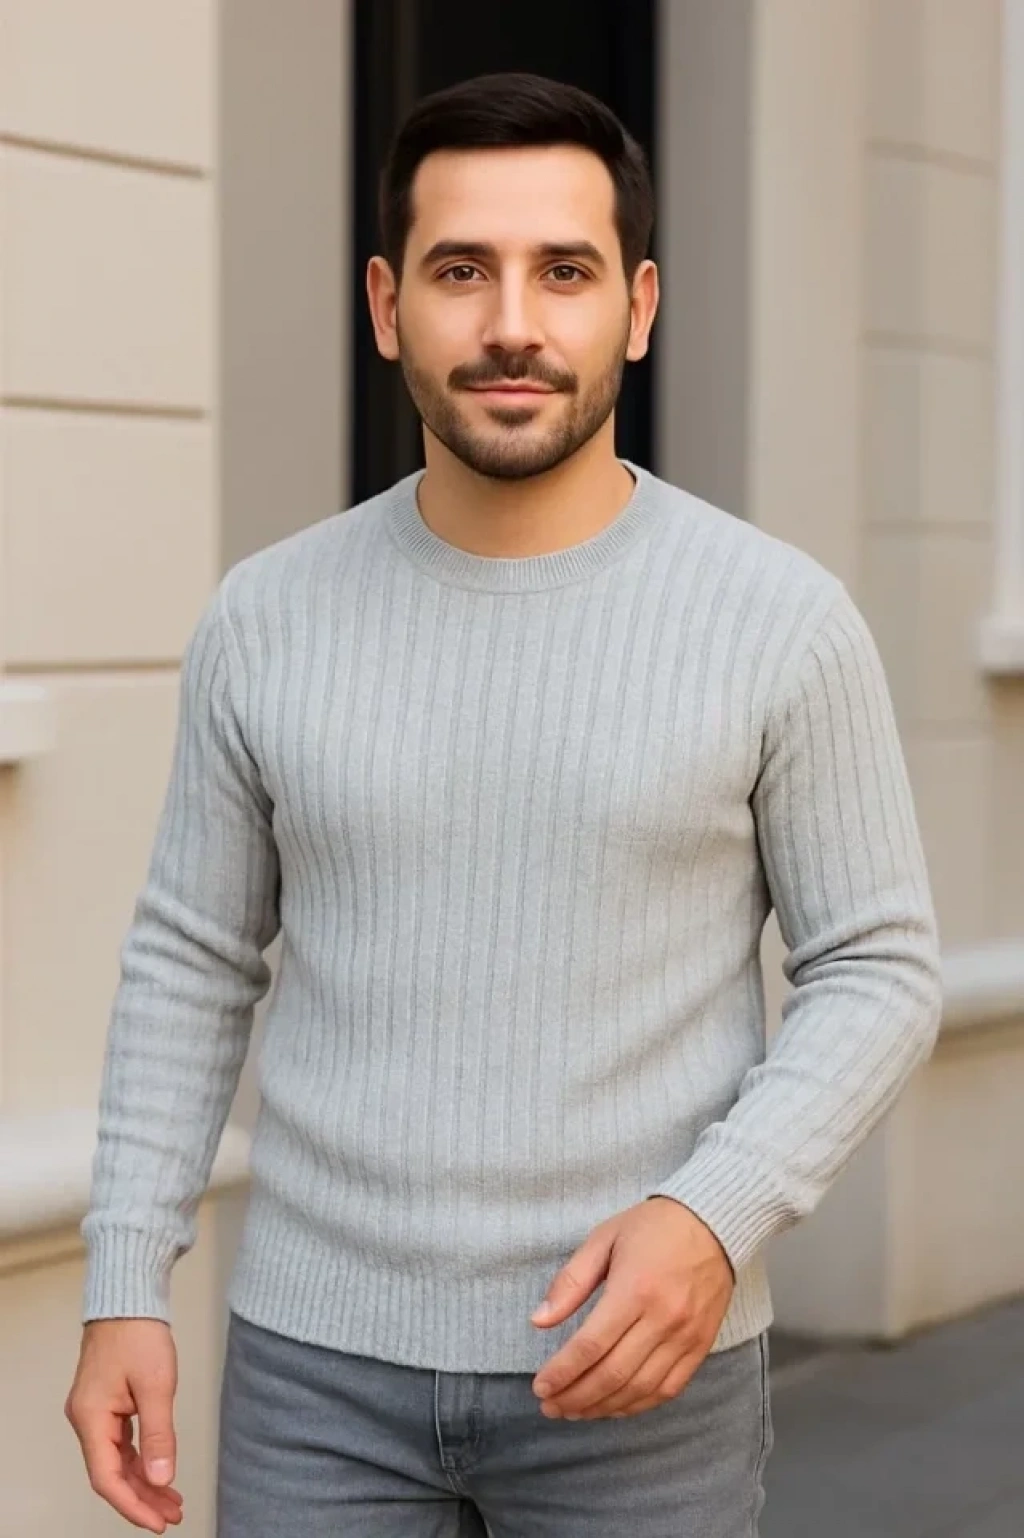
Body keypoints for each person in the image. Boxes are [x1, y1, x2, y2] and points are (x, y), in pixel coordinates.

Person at [64, 71, 943, 1538]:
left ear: (639, 307)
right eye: (462, 270)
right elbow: (189, 960)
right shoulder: (265, 618)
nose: (513, 324)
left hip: (647, 1371)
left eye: (566, 272)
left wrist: (712, 1216)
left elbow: (882, 964)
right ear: (386, 303)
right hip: (314, 1378)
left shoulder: (780, 620)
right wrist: (122, 1282)